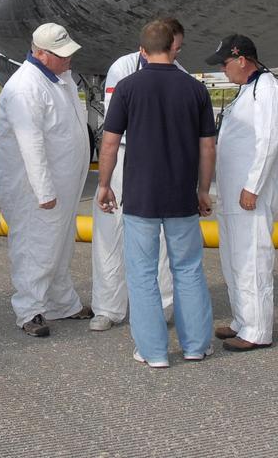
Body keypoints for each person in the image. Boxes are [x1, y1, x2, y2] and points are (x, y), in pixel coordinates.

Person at [96, 20, 216, 367]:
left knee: (142, 272)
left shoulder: (128, 87)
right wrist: (203, 189)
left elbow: (110, 143)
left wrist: (104, 184)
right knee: (189, 269)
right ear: (174, 47)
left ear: (143, 51)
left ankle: (153, 351)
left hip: (141, 197)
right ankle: (195, 346)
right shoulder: (196, 89)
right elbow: (208, 147)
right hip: (182, 196)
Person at [0, 23, 92, 337]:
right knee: (35, 247)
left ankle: (62, 302)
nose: (69, 59)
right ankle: (29, 310)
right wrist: (44, 189)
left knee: (60, 246)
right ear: (40, 53)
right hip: (35, 189)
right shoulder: (26, 87)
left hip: (63, 184)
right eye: (61, 55)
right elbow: (30, 143)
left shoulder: (59, 78)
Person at [89, 18, 181, 333]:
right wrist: (105, 181)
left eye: (178, 49)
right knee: (110, 230)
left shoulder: (180, 73)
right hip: (125, 153)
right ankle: (107, 307)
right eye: (173, 46)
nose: (175, 54)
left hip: (159, 158)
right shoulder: (122, 68)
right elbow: (116, 128)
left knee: (160, 237)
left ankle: (163, 305)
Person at [207, 34, 278, 351]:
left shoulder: (267, 90)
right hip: (235, 193)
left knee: (252, 259)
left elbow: (269, 141)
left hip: (250, 195)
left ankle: (257, 330)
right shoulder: (248, 90)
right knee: (233, 258)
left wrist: (253, 186)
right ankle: (241, 320)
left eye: (225, 64)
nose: (223, 71)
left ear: (241, 59)